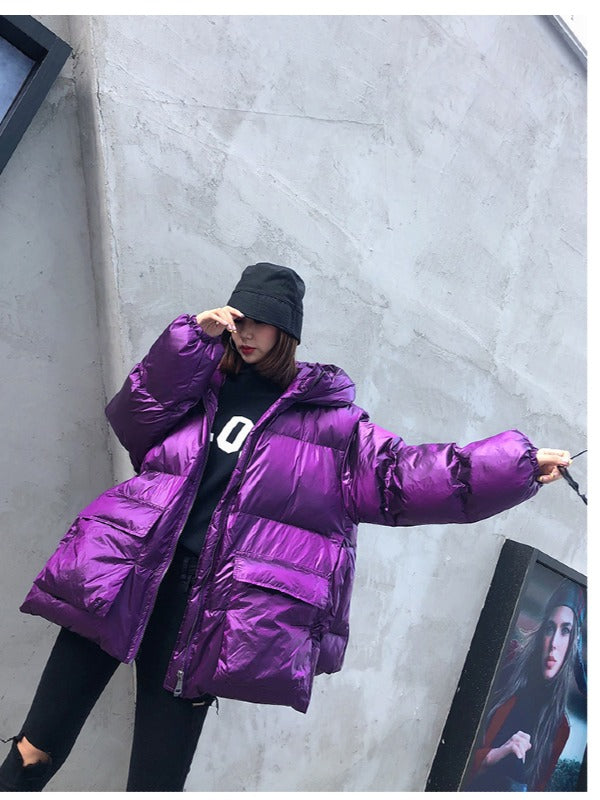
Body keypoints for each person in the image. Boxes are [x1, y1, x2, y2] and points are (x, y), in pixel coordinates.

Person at [0, 263, 572, 792]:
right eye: (240, 319)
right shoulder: (197, 384)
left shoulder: (331, 424)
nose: (246, 332)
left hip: (203, 611)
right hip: (124, 576)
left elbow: (402, 476)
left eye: (262, 322)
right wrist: (189, 342)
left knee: (155, 784)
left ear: (287, 332)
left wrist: (514, 466)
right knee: (34, 748)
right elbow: (132, 415)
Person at [464, 579, 586, 791]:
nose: (554, 643)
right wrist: (492, 756)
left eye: (565, 631)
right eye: (550, 628)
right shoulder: (507, 663)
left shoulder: (560, 728)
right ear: (542, 633)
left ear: (573, 643)